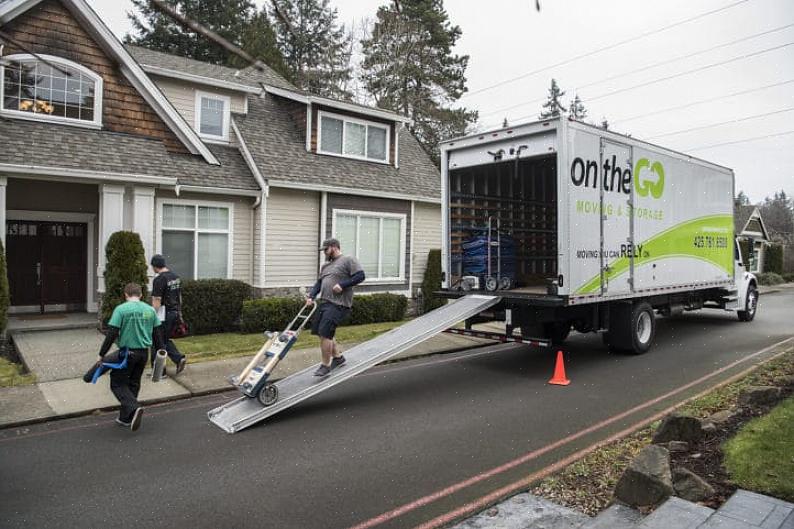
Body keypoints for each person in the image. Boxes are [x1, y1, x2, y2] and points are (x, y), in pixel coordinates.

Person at [97, 282, 164, 431]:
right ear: (140, 295)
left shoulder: (121, 310)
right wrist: (160, 354)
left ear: (126, 294)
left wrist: (102, 354)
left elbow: (112, 333)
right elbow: (157, 335)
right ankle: (125, 418)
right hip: (143, 354)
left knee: (117, 383)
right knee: (133, 383)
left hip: (127, 354)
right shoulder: (149, 310)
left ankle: (134, 408)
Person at [306, 238, 365, 377]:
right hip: (325, 302)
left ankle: (325, 366)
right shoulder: (325, 266)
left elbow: (360, 276)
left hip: (339, 304)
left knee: (325, 333)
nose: (324, 253)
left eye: (326, 250)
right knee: (321, 333)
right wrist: (311, 296)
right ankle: (338, 358)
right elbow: (319, 283)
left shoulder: (348, 259)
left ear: (333, 247)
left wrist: (343, 285)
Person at [150, 254, 186, 375]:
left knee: (157, 341)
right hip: (174, 312)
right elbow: (179, 297)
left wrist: (151, 316)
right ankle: (179, 358)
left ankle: (160, 372)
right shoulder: (175, 277)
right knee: (163, 340)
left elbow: (157, 301)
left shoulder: (159, 279)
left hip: (162, 314)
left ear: (155, 266)